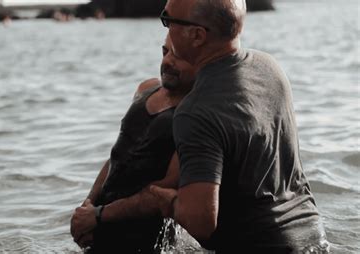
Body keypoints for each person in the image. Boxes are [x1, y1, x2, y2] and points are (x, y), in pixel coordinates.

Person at [150, 0, 330, 253]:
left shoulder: (196, 110)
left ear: (197, 35)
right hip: (313, 236)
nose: (166, 30)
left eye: (167, 21)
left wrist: (166, 201)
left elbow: (200, 222)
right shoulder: (269, 67)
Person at [70, 36, 197, 253]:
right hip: (99, 225)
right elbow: (117, 158)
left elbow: (166, 188)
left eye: (178, 55)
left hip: (144, 239)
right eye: (165, 51)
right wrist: (87, 208)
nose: (167, 61)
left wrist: (99, 215)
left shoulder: (198, 116)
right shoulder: (146, 88)